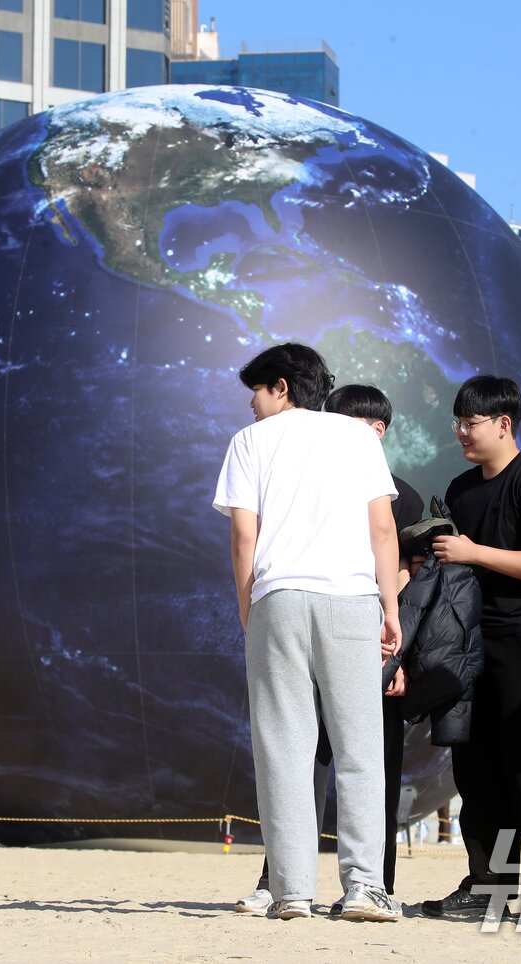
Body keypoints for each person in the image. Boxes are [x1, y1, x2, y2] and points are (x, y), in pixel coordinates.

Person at [213, 343, 404, 922]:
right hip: (352, 598)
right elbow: (383, 528)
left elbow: (245, 537)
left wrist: (249, 606)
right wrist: (390, 608)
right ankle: (364, 887)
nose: (251, 404)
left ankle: (292, 890)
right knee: (359, 748)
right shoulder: (356, 437)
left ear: (281, 386)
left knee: (283, 746)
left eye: (256, 390)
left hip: (279, 597)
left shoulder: (249, 443)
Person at [419, 375, 521, 920]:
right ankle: (488, 887)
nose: (462, 433)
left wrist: (474, 551)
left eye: (471, 423)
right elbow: (455, 560)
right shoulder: (463, 490)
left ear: (503, 424)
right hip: (470, 639)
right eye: (458, 423)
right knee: (474, 762)